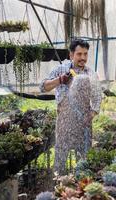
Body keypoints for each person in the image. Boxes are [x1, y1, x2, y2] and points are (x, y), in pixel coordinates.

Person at [39, 39, 102, 175]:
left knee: (84, 159)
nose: (83, 58)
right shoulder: (60, 69)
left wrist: (91, 115)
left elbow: (97, 97)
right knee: (61, 157)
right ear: (71, 55)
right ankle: (60, 185)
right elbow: (43, 87)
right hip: (64, 121)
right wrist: (60, 80)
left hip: (83, 122)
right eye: (79, 54)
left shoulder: (90, 74)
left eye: (85, 54)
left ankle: (81, 185)